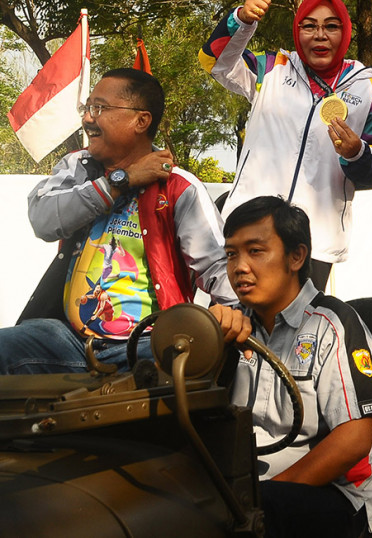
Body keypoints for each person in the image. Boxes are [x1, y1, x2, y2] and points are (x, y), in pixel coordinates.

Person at [1, 69, 237, 374]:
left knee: (167, 375)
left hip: (146, 343)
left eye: (99, 108)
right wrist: (120, 181)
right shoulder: (78, 166)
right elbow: (43, 220)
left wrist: (234, 315)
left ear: (141, 120)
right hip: (66, 337)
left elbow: (218, 268)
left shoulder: (179, 187)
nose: (87, 119)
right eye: (86, 108)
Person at [208, 196, 372, 537]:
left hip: (339, 502)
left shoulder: (332, 324)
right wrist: (207, 338)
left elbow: (354, 439)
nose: (239, 267)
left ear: (296, 256)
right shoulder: (228, 326)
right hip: (249, 492)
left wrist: (256, 502)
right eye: (231, 254)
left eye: (256, 251)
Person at [200, 0, 372, 290]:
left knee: (299, 333)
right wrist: (242, 19)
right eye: (309, 26)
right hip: (250, 231)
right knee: (236, 329)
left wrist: (355, 153)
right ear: (297, 31)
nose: (320, 35)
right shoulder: (271, 69)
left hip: (315, 242)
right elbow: (214, 61)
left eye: (331, 26)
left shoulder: (366, 86)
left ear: (345, 33)